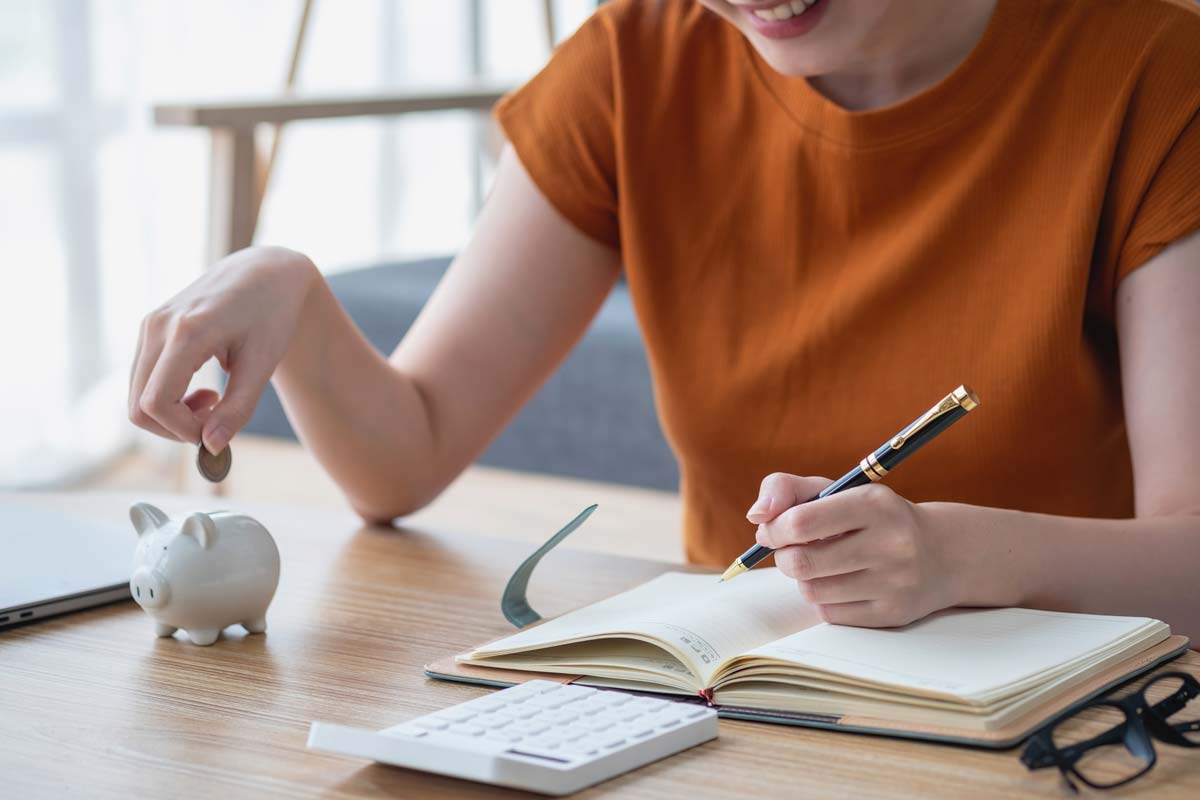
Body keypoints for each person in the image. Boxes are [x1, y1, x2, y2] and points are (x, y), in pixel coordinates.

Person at [128, 0, 1200, 640]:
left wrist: (963, 557)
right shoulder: (639, 58)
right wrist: (295, 297)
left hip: (1061, 730)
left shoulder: (1153, 73)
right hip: (728, 718)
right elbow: (399, 460)